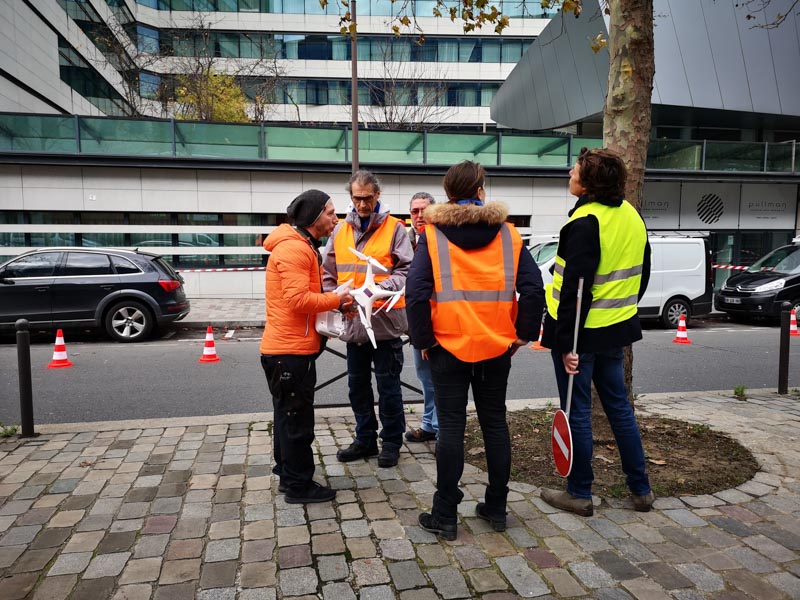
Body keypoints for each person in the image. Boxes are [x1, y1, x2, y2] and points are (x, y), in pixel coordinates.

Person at [407, 161, 545, 540]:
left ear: (448, 192)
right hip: (496, 348)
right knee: (494, 425)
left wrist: (424, 341)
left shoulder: (432, 236)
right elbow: (534, 290)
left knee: (450, 428)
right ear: (481, 189)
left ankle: (445, 515)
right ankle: (496, 509)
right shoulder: (508, 235)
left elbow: (416, 294)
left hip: (447, 347)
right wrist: (521, 335)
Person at [539, 147, 655, 517]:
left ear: (588, 183)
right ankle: (641, 490)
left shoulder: (585, 222)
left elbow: (576, 289)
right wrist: (622, 312)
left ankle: (579, 492)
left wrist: (568, 345)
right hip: (614, 331)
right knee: (619, 409)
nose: (569, 175)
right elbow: (642, 273)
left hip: (580, 337)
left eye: (574, 170)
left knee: (578, 412)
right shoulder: (633, 218)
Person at [260, 190, 354, 504]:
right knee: (297, 421)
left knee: (288, 417)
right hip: (289, 353)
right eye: (330, 212)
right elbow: (298, 300)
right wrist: (337, 299)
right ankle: (298, 486)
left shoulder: (301, 246)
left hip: (290, 349)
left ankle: (288, 475)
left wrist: (335, 304)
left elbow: (304, 297)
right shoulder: (294, 250)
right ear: (314, 217)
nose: (335, 219)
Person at [323, 170, 413, 468]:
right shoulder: (339, 231)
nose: (361, 204)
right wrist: (337, 299)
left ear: (378, 195)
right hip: (354, 322)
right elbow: (328, 273)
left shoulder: (395, 228)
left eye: (367, 198)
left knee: (388, 386)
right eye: (356, 198)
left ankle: (391, 441)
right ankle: (364, 439)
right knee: (357, 386)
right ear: (351, 197)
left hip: (384, 323)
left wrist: (376, 290)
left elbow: (406, 272)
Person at [405, 192, 438, 444]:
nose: (419, 216)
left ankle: (439, 428)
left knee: (439, 378)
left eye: (424, 210)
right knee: (424, 376)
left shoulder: (441, 239)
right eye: (415, 211)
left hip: (439, 318)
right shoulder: (405, 240)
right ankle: (430, 424)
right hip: (414, 320)